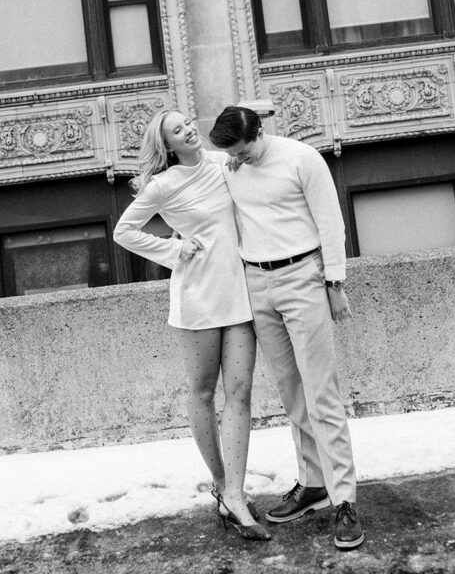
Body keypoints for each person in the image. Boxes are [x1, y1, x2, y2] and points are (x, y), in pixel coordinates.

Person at [209, 104, 365, 551]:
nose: (242, 159)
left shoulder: (302, 158)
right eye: (234, 153)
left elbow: (331, 223)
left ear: (259, 133)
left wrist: (335, 282)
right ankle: (313, 482)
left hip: (305, 276)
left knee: (322, 393)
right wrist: (236, 149)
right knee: (291, 392)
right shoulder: (231, 159)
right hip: (255, 282)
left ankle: (345, 501)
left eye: (245, 150)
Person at [113, 109, 270, 541]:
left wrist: (259, 117)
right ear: (168, 146)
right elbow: (124, 232)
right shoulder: (162, 186)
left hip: (238, 292)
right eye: (177, 130)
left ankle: (236, 494)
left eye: (188, 124)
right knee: (203, 393)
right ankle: (221, 485)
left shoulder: (222, 163)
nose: (188, 131)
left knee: (240, 391)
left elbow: (256, 154)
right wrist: (173, 248)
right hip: (198, 298)